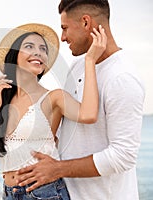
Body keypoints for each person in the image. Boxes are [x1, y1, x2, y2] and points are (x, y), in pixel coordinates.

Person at [16, 1, 146, 200]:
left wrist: (58, 169)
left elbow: (123, 156)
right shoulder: (78, 66)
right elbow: (65, 132)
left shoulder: (122, 77)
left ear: (86, 22)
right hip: (66, 194)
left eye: (65, 28)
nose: (63, 37)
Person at [0, 22, 106, 200]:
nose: (39, 52)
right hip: (9, 194)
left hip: (44, 193)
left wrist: (90, 61)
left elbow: (89, 114)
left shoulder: (54, 98)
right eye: (29, 46)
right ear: (14, 56)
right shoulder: (4, 102)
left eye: (43, 49)